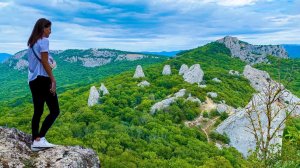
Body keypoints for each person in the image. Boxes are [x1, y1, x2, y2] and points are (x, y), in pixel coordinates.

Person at [27, 18, 59, 151]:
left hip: (33, 80)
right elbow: (45, 62)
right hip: (43, 80)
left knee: (38, 111)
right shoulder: (44, 41)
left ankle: (35, 141)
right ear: (42, 28)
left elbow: (38, 62)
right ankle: (41, 138)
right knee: (55, 111)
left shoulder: (32, 43)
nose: (50, 32)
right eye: (49, 29)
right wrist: (53, 80)